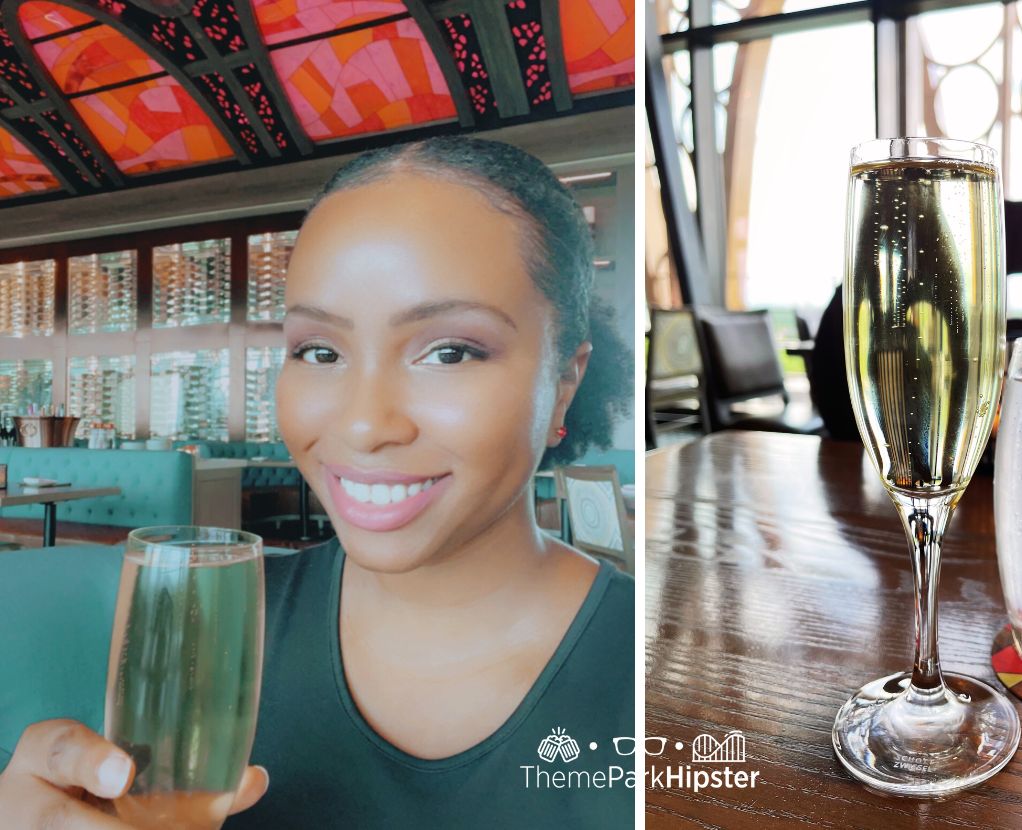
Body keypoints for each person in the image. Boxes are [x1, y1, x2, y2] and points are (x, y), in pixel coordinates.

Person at [0, 137, 635, 828]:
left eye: (449, 351)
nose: (364, 425)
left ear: (564, 381)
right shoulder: (214, 630)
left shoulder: (670, 682)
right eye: (320, 351)